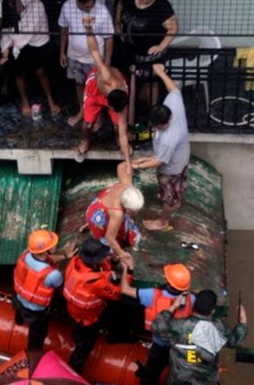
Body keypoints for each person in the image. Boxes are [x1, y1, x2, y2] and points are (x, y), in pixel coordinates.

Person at [121, 263, 194, 385]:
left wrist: (126, 270)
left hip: (160, 348)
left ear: (168, 282)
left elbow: (125, 290)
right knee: (179, 377)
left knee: (149, 380)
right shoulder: (191, 299)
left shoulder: (152, 295)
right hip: (180, 348)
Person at [132, 63, 190, 231]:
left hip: (172, 168)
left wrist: (137, 165)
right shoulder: (173, 104)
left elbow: (160, 161)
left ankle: (163, 221)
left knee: (170, 199)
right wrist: (160, 73)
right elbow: (174, 90)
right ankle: (173, 198)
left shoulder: (169, 138)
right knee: (175, 189)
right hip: (181, 157)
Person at [63, 238, 131, 374]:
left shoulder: (75, 262)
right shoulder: (95, 282)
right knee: (84, 348)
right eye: (103, 257)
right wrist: (128, 272)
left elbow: (99, 269)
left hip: (73, 311)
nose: (106, 257)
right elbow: (118, 294)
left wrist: (112, 262)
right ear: (95, 261)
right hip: (87, 320)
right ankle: (73, 371)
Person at [75, 16, 131, 169]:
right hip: (94, 90)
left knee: (119, 127)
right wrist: (88, 28)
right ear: (108, 98)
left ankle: (118, 143)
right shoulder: (106, 76)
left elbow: (124, 133)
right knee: (88, 123)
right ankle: (86, 140)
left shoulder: (122, 98)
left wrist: (128, 163)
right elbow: (94, 50)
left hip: (114, 97)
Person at [115, 0, 178, 106]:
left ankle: (152, 108)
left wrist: (161, 46)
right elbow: (120, 4)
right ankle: (137, 101)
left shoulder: (162, 6)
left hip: (149, 54)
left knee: (151, 81)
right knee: (133, 77)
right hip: (130, 48)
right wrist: (117, 23)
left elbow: (173, 28)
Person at [0, 0, 60, 116]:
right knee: (19, 73)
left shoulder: (36, 7)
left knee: (40, 72)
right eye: (9, 3)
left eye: (14, 2)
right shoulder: (11, 9)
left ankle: (50, 100)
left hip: (36, 44)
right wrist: (6, 42)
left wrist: (7, 40)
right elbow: (11, 30)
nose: (11, 5)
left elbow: (22, 31)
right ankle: (25, 101)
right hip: (22, 45)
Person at [59, 0, 114, 127]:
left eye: (92, 5)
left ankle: (99, 116)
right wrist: (62, 52)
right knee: (79, 85)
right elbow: (64, 30)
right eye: (86, 7)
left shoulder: (102, 11)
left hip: (94, 59)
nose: (90, 9)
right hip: (74, 56)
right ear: (78, 2)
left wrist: (106, 63)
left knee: (97, 88)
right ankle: (83, 111)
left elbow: (109, 38)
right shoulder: (68, 6)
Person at [13, 229, 73, 351]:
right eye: (53, 245)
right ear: (45, 252)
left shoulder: (26, 254)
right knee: (38, 334)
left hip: (18, 298)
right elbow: (61, 289)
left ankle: (18, 321)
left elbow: (46, 260)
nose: (56, 245)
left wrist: (65, 256)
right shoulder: (52, 274)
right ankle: (33, 351)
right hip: (35, 311)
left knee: (19, 312)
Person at [85, 162, 144, 264]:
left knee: (123, 223)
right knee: (111, 249)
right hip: (98, 217)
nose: (136, 212)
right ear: (125, 206)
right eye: (133, 210)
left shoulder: (127, 186)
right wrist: (122, 254)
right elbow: (110, 238)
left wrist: (140, 162)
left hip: (94, 208)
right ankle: (95, 227)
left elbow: (121, 166)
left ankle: (90, 225)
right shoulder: (117, 214)